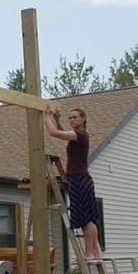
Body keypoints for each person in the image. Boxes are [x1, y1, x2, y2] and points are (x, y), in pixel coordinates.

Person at [44, 105, 101, 260]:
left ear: (83, 119)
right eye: (70, 117)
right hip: (79, 178)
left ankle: (89, 252)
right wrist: (56, 118)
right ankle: (93, 252)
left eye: (75, 117)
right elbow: (62, 131)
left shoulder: (81, 135)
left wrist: (45, 115)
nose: (72, 119)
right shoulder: (77, 135)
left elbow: (53, 132)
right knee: (87, 217)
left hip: (80, 178)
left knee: (86, 219)